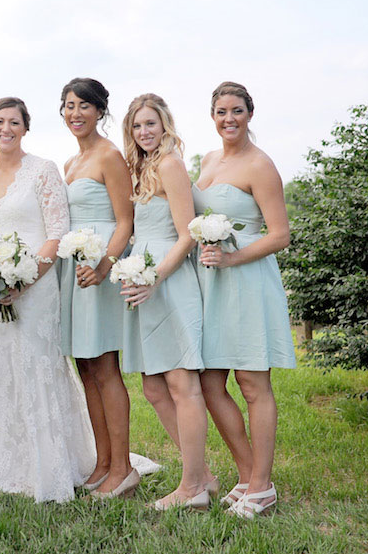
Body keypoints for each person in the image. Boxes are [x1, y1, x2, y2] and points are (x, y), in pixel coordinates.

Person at [0, 97, 96, 503]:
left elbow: (57, 232)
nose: (6, 128)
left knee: (36, 365)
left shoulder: (43, 171)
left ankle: (48, 467)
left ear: (25, 128)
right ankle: (1, 465)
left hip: (36, 290)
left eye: (14, 122)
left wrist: (24, 280)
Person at [193, 81, 296, 518]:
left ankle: (262, 487)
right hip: (212, 284)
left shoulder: (260, 164)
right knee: (209, 383)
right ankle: (247, 473)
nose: (228, 119)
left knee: (253, 385)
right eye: (220, 112)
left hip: (248, 279)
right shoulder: (209, 159)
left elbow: (280, 234)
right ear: (212, 116)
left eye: (236, 110)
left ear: (249, 114)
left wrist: (233, 258)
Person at [119, 93, 216, 510]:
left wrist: (155, 279)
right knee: (153, 387)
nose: (144, 132)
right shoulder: (140, 167)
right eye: (137, 125)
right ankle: (204, 477)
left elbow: (187, 233)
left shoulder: (171, 164)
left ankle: (191, 487)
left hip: (169, 281)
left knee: (181, 383)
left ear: (165, 125)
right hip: (143, 280)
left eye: (151, 124)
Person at [56, 78, 139, 498]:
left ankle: (123, 468)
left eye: (84, 106)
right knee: (85, 368)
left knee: (105, 366)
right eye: (69, 106)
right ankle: (102, 462)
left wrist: (105, 265)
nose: (75, 113)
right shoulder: (70, 163)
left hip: (101, 269)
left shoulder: (109, 156)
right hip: (75, 271)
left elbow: (125, 220)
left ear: (100, 111)